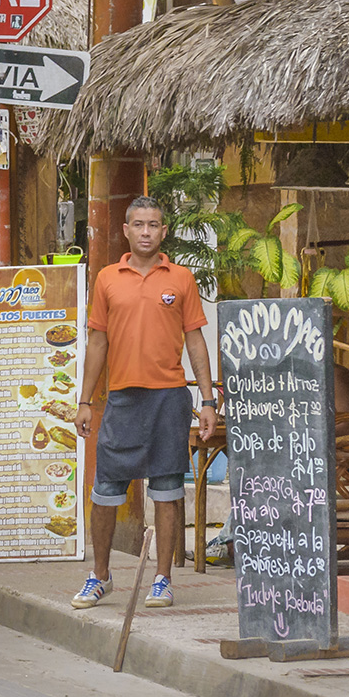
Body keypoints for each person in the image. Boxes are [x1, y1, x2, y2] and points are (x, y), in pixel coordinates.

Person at [73, 197, 219, 611]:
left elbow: (195, 341)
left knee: (167, 490)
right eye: (138, 224)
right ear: (126, 230)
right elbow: (97, 341)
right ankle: (99, 577)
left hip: (169, 399)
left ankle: (163, 579)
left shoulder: (181, 279)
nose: (145, 232)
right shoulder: (105, 279)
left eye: (153, 225)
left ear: (163, 231)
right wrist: (84, 400)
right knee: (105, 490)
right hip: (120, 399)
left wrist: (207, 399)